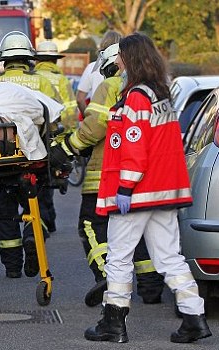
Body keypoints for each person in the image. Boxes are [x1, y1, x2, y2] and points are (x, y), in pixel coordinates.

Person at [84, 32, 212, 344]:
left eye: (120, 56)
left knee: (118, 256)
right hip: (163, 192)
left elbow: (134, 147)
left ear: (131, 59)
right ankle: (194, 318)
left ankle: (113, 323)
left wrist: (125, 188)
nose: (116, 61)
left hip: (139, 192)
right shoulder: (160, 95)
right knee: (168, 257)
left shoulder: (136, 97)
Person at [51, 43, 164, 308]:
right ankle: (150, 287)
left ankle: (107, 279)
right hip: (142, 173)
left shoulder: (110, 86)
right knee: (140, 229)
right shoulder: (152, 90)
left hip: (107, 173)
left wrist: (66, 148)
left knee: (91, 225)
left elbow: (95, 127)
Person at [0, 31, 62, 278]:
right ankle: (32, 236)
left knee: (5, 212)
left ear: (4, 60)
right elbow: (56, 120)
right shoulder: (42, 83)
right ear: (28, 58)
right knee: (36, 207)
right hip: (34, 161)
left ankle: (11, 267)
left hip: (2, 160)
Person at [76, 30, 122, 116]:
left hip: (97, 120)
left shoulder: (92, 67)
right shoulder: (124, 66)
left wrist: (88, 117)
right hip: (118, 118)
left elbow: (80, 99)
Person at [34, 41, 78, 130]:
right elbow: (70, 109)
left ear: (37, 60)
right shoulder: (62, 79)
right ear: (56, 60)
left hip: (35, 128)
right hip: (56, 129)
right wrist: (70, 131)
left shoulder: (32, 77)